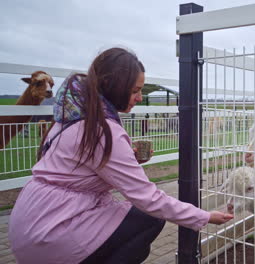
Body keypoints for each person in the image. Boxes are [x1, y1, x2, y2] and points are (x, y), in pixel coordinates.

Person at [8, 47, 233, 264]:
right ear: (113, 86)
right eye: (135, 90)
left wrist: (129, 159)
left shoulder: (71, 117)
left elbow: (80, 165)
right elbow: (147, 198)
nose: (139, 97)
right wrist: (203, 216)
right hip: (52, 233)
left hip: (28, 223)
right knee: (149, 219)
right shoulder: (103, 130)